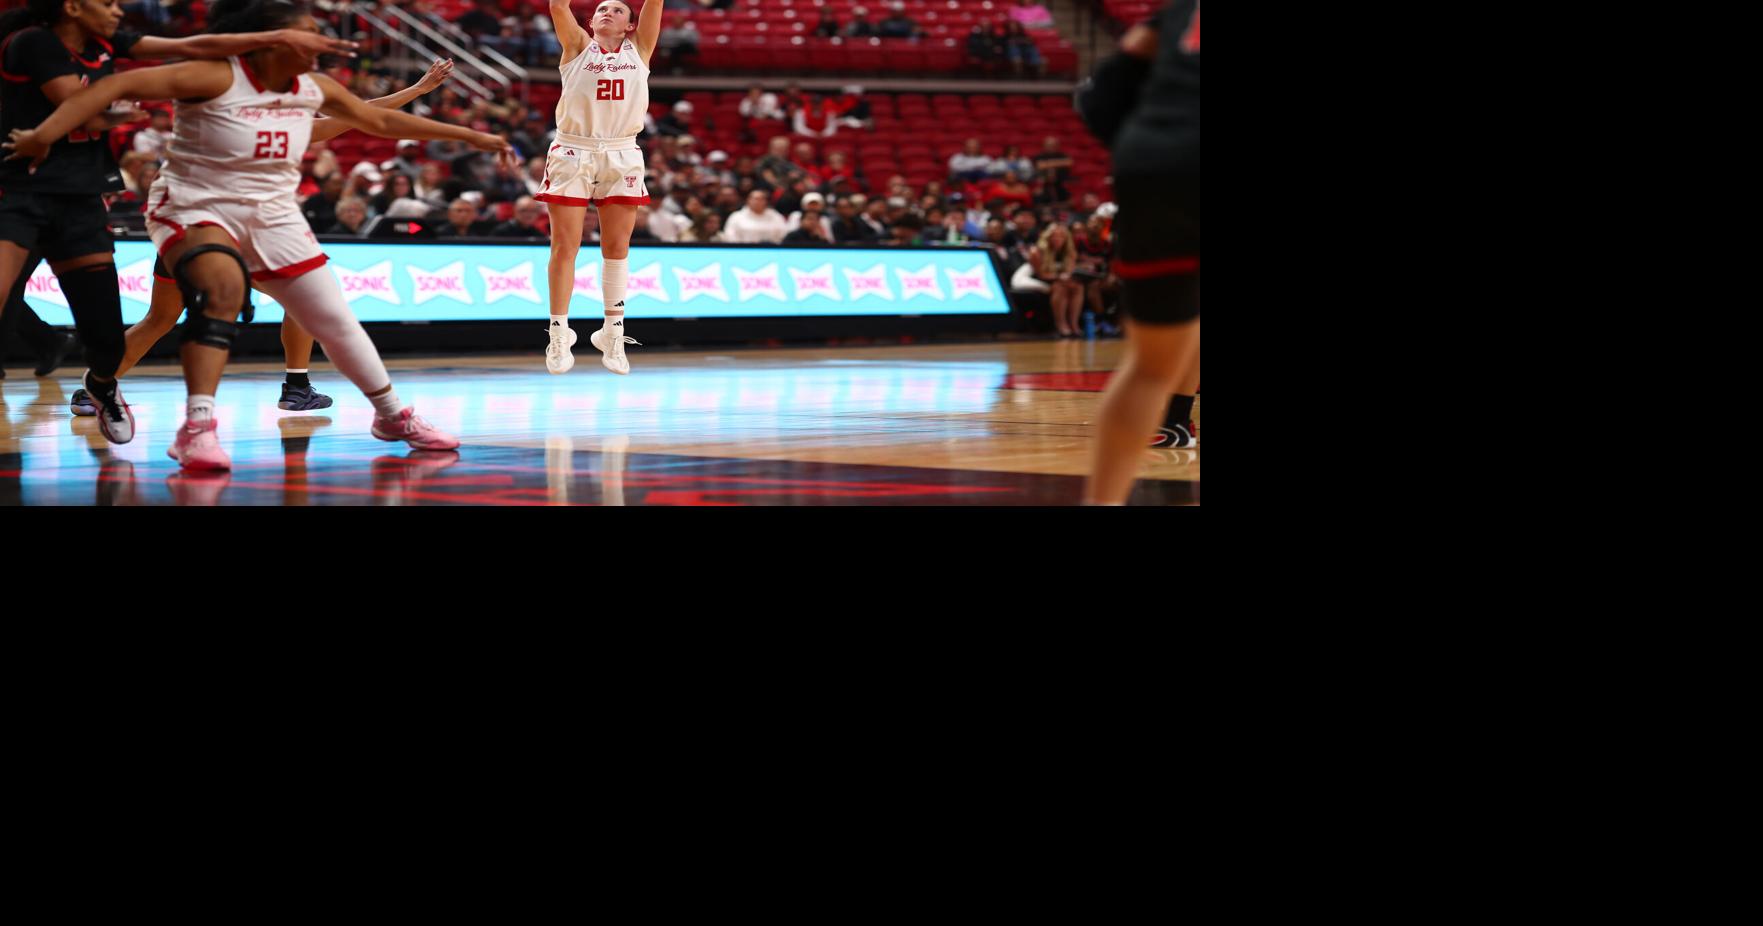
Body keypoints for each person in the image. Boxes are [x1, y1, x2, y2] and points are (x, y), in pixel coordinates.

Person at [9, 0, 518, 469]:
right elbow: (108, 87)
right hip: (193, 206)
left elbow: (375, 121)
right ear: (273, 40)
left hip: (270, 215)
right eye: (312, 34)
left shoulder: (312, 92)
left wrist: (470, 134)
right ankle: (199, 425)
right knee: (222, 290)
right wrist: (43, 135)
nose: (325, 42)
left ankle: (390, 413)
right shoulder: (211, 75)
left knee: (326, 314)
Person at [0, 0, 355, 442]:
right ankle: (292, 388)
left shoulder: (120, 48)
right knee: (298, 296)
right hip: (199, 219)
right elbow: (81, 102)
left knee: (140, 325)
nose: (116, 10)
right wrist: (59, 129)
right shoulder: (36, 43)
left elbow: (190, 45)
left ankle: (100, 386)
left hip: (126, 208)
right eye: (107, 3)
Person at [1079, 0, 1201, 504]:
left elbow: (1099, 97)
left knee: (1151, 364)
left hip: (1153, 163)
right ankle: (1177, 423)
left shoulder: (1179, 14)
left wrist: (1147, 149)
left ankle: (1104, 498)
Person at [535, 0, 662, 376]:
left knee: (617, 248)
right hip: (574, 149)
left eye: (618, 10)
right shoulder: (576, 46)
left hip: (622, 151)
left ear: (629, 25)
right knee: (564, 246)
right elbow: (558, 4)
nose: (608, 12)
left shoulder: (640, 50)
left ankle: (613, 330)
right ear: (590, 22)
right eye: (602, 9)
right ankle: (559, 332)